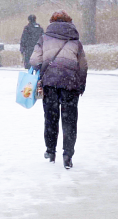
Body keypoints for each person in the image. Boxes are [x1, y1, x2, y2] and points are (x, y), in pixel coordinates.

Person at [30, 10, 88, 170]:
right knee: (70, 120)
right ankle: (68, 154)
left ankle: (50, 151)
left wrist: (41, 67)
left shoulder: (44, 38)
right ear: (69, 22)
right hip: (70, 84)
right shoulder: (76, 42)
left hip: (50, 83)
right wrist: (81, 84)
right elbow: (83, 66)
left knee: (50, 118)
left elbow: (34, 60)